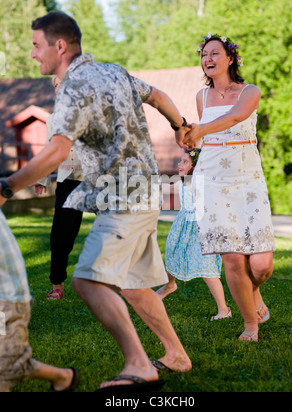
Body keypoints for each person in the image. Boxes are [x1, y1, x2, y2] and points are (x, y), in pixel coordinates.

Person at [0, 12, 192, 392]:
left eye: (37, 46)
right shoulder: (114, 71)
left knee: (87, 280)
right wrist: (180, 125)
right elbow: (159, 97)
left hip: (124, 197)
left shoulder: (73, 87)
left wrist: (6, 187)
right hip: (143, 190)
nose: (33, 55)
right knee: (135, 286)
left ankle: (139, 364)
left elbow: (56, 151)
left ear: (59, 46)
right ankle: (176, 355)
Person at [181, 33, 275, 342]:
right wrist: (190, 153)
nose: (207, 59)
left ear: (230, 59)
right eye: (204, 54)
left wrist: (199, 131)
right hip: (212, 182)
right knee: (232, 259)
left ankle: (255, 292)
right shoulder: (201, 97)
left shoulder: (250, 91)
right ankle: (250, 324)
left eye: (214, 54)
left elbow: (235, 117)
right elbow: (204, 141)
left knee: (261, 265)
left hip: (248, 180)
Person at [0, 209, 80, 392]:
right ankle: (63, 377)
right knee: (8, 364)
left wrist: (8, 187)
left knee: (5, 368)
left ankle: (63, 377)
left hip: (6, 297)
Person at [156, 148, 232, 322]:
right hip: (183, 228)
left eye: (184, 162)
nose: (179, 164)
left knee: (207, 269)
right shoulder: (182, 182)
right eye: (180, 161)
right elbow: (166, 199)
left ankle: (224, 309)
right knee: (173, 256)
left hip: (201, 230)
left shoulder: (202, 183)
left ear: (195, 166)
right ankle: (169, 286)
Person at [34, 76, 84, 301]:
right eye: (56, 85)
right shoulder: (53, 120)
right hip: (68, 182)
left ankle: (126, 281)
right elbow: (49, 150)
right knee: (60, 236)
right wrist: (42, 179)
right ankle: (57, 285)